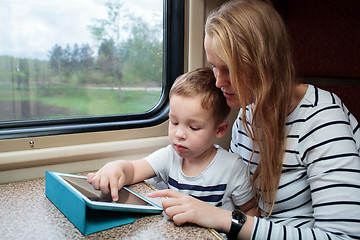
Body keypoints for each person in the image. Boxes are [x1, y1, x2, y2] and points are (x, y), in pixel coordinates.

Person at [148, 0, 360, 239]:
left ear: (264, 64)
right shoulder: (247, 113)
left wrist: (223, 218)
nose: (218, 82)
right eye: (214, 67)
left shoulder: (321, 119)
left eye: (228, 69)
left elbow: (345, 237)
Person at [87, 67, 257, 214]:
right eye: (174, 122)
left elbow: (250, 210)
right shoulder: (171, 156)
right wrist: (114, 168)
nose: (179, 134)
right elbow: (133, 169)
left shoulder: (232, 167)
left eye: (194, 127)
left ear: (219, 130)